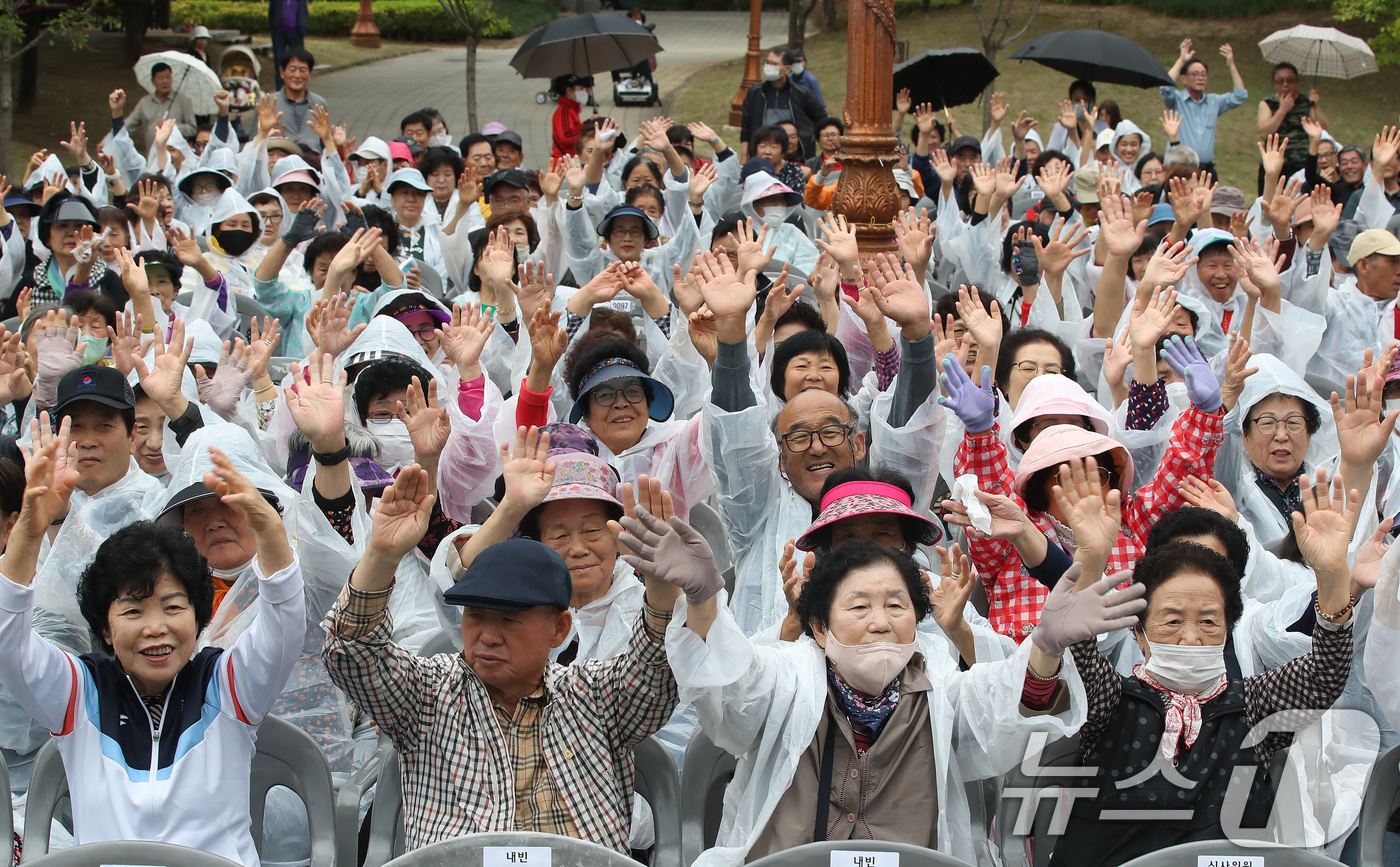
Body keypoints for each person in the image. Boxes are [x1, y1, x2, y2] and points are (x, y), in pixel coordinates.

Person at [663, 531, 1143, 865]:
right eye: (859, 606)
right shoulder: (787, 676)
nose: (880, 622)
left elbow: (1002, 707)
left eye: (896, 605)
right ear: (819, 627)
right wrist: (703, 600)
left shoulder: (939, 687)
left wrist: (1046, 647)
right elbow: (733, 688)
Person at [321, 455, 683, 853]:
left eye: (510, 620)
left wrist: (662, 590)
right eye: (476, 616)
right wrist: (381, 556)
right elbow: (350, 653)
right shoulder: (427, 695)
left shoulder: (594, 697)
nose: (488, 637)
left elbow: (656, 672)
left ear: (559, 629)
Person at [0, 434, 303, 867]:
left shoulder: (228, 686)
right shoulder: (77, 694)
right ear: (105, 628)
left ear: (198, 619)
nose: (155, 627)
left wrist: (269, 529)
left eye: (173, 607)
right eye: (133, 611)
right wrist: (29, 533)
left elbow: (284, 626)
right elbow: (9, 642)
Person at [1049, 475, 1356, 866]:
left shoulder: (1254, 705)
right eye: (1172, 621)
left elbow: (1325, 673)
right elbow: (1077, 647)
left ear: (1228, 629)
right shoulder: (1112, 699)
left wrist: (1332, 577)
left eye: (1209, 621)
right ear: (1139, 633)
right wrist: (1091, 561)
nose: (1191, 638)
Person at [1160, 39, 1247, 175]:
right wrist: (1181, 60)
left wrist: (1231, 66)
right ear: (1184, 79)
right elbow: (1165, 86)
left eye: (1203, 74)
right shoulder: (1176, 100)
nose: (1200, 78)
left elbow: (1240, 96)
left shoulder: (1214, 102)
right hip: (1181, 168)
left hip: (1207, 170)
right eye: (1195, 74)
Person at [739, 48, 826, 162]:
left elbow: (821, 117)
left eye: (774, 64)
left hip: (793, 157)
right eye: (768, 62)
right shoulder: (755, 92)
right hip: (762, 156)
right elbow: (746, 128)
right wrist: (744, 157)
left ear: (787, 69)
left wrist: (808, 138)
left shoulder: (801, 93)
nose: (769, 66)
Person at [1257, 62, 1328, 194]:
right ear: (1274, 83)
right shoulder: (1268, 103)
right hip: (1274, 163)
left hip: (1301, 163)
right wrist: (1282, 110)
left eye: (1290, 80)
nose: (1285, 84)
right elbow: (1264, 133)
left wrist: (1315, 106)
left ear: (1296, 81)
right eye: (1280, 80)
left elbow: (1324, 129)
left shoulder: (1305, 102)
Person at [123, 62, 197, 154]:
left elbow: (192, 129)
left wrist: (171, 126)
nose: (165, 81)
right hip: (152, 156)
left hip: (176, 157)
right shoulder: (145, 102)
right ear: (153, 81)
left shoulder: (183, 101)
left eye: (168, 77)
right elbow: (128, 125)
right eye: (160, 78)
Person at [272, 48, 329, 155]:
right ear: (281, 72)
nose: (297, 75)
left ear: (310, 73)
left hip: (312, 162)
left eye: (303, 70)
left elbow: (325, 143)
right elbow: (253, 145)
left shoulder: (319, 104)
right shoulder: (269, 104)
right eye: (292, 70)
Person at [269, 0, 309, 91]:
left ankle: (298, 87)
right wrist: (273, 26)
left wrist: (303, 27)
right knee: (279, 62)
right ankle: (280, 89)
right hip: (279, 32)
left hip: (296, 32)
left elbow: (304, 11)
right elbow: (272, 11)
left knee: (298, 61)